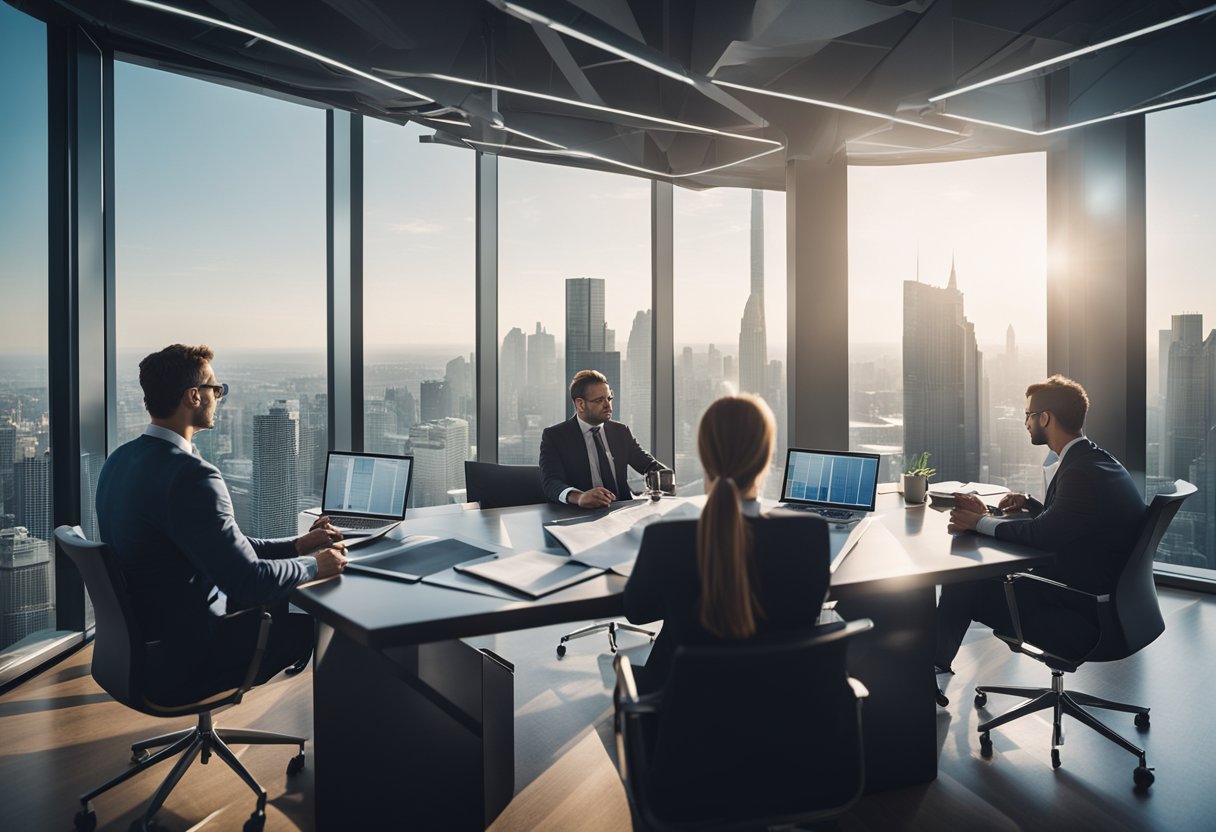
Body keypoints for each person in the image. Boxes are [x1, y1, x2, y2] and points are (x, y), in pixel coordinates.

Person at [96, 344, 348, 706]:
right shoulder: (191, 476)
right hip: (192, 659)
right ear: (193, 396)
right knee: (323, 614)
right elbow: (246, 583)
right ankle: (353, 746)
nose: (219, 396)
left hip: (147, 651)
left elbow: (226, 549)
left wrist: (299, 546)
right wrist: (316, 565)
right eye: (216, 389)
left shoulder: (120, 460)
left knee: (291, 590)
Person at [935, 374, 1146, 687]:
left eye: (1028, 415)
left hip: (1082, 616)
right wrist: (1031, 504)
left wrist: (978, 522)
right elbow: (1074, 519)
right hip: (1111, 605)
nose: (1025, 423)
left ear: (1045, 418)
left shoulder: (1081, 473)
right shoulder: (1094, 460)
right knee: (980, 577)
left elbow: (1041, 536)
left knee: (965, 582)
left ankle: (927, 673)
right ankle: (933, 667)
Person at [622, 394, 831, 694]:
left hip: (684, 723)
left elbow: (637, 612)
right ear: (766, 457)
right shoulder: (809, 534)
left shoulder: (665, 540)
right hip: (784, 713)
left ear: (705, 457)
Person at [539, 369, 665, 508]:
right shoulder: (556, 436)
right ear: (580, 404)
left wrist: (666, 477)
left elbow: (647, 464)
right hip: (579, 516)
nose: (607, 405)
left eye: (609, 398)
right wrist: (579, 497)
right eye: (599, 400)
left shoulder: (620, 432)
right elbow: (551, 482)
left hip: (622, 512)